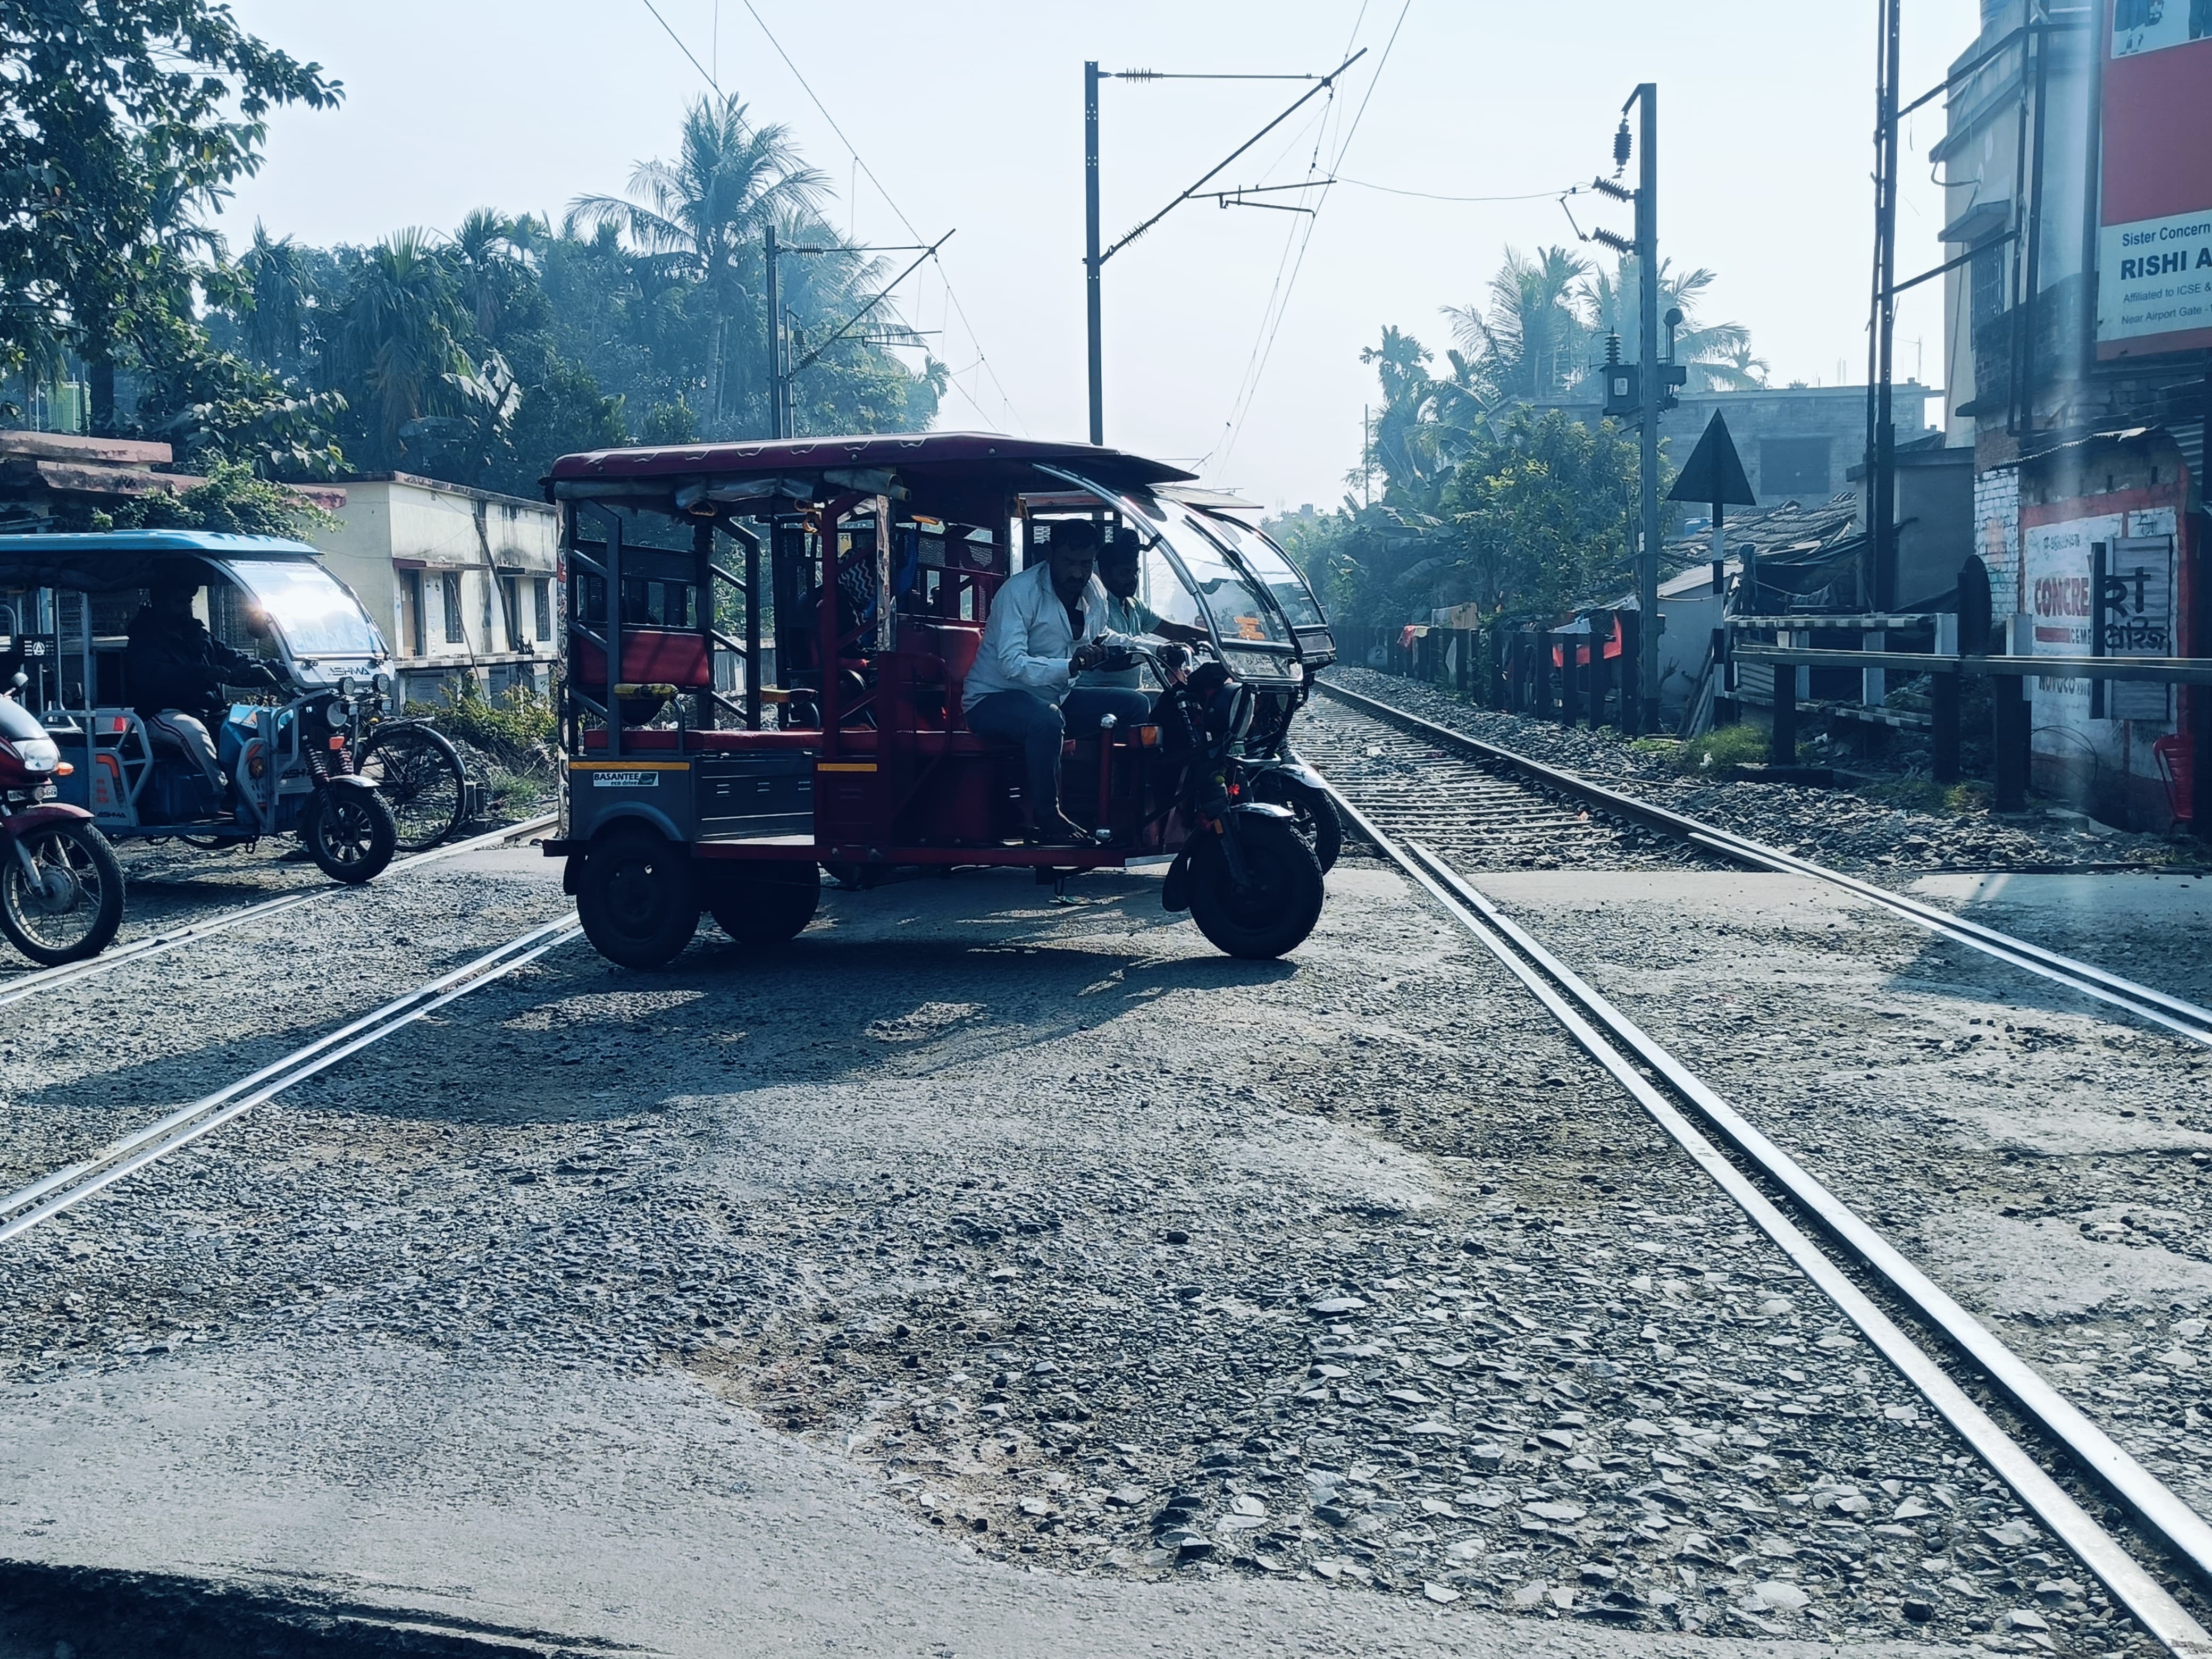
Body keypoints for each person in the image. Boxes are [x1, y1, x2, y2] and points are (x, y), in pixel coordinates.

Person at [962, 521, 1150, 843]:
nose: (1078, 574)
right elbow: (1011, 664)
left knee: (1135, 704)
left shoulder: (1094, 591)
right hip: (993, 699)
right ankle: (1048, 817)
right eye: (1069, 563)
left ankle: (1109, 807)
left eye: (1086, 564)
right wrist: (1071, 664)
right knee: (1046, 720)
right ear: (1050, 554)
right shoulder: (1019, 592)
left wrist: (1158, 648)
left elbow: (1102, 636)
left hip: (1055, 698)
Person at [125, 576, 278, 795]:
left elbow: (234, 659)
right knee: (194, 732)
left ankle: (271, 793)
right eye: (180, 602)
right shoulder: (144, 638)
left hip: (211, 711)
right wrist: (203, 673)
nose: (187, 607)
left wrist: (281, 670)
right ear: (160, 602)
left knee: (261, 726)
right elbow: (155, 677)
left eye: (188, 601)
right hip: (162, 713)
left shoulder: (197, 634)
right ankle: (224, 794)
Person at [1079, 531, 1209, 696]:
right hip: (1095, 692)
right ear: (1103, 572)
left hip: (1129, 692)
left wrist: (1218, 639)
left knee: (1177, 702)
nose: (1133, 579)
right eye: (1125, 573)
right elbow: (1109, 659)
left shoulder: (1134, 606)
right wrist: (1159, 652)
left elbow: (1174, 631)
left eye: (1136, 572)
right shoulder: (1093, 606)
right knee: (1147, 702)